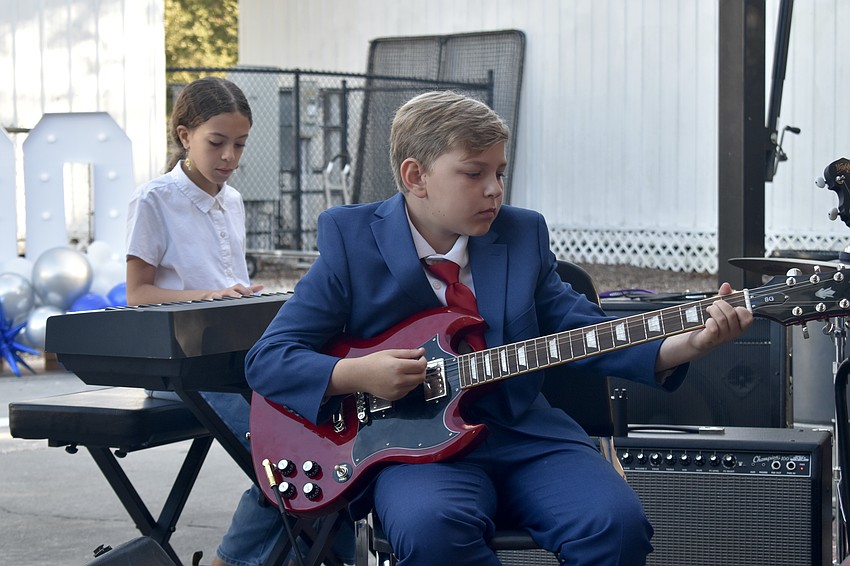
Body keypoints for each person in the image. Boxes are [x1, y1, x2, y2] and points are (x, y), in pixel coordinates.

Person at [244, 90, 753, 566]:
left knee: (616, 525)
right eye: (474, 173)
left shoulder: (521, 233)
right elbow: (268, 359)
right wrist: (358, 374)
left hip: (525, 435)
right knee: (430, 531)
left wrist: (685, 344)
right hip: (415, 451)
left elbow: (583, 329)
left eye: (500, 172)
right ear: (416, 176)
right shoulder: (351, 239)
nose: (494, 189)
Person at [125, 76, 354, 566]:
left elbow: (230, 285)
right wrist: (210, 295)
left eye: (240, 144)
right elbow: (137, 294)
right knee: (285, 462)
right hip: (182, 369)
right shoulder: (154, 200)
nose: (230, 156)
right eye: (217, 143)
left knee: (331, 447)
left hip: (236, 361)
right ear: (184, 135)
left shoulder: (231, 200)